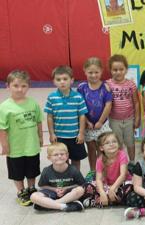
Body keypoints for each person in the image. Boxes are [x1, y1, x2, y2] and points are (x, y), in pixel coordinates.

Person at [0, 70, 43, 206]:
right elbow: (3, 128)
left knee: (32, 170)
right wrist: (4, 145)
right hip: (15, 148)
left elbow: (38, 121)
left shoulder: (33, 103)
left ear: (28, 86)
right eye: (16, 86)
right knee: (17, 172)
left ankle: (31, 188)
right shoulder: (4, 107)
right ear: (8, 86)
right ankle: (21, 191)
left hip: (31, 145)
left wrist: (40, 137)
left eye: (24, 86)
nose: (20, 89)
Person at [44, 66, 88, 171]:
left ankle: (76, 176)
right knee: (62, 159)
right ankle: (66, 177)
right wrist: (52, 133)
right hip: (59, 137)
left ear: (72, 80)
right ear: (54, 81)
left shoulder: (78, 97)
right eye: (58, 80)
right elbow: (50, 117)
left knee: (76, 159)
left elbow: (82, 115)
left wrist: (81, 133)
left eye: (65, 79)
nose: (62, 82)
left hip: (75, 136)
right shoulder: (52, 97)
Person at [77, 57, 112, 181]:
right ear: (85, 71)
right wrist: (86, 121)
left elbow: (108, 105)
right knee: (91, 148)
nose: (93, 75)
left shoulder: (105, 87)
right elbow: (79, 105)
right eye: (90, 72)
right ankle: (92, 171)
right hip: (88, 125)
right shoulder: (82, 87)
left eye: (96, 72)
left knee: (101, 149)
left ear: (101, 71)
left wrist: (100, 121)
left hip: (101, 124)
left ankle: (101, 171)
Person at [82, 131, 132, 208]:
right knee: (86, 186)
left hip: (120, 184)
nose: (111, 144)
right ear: (101, 148)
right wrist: (102, 193)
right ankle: (110, 200)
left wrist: (113, 188)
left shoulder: (122, 155)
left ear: (118, 144)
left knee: (130, 188)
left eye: (114, 141)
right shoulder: (99, 160)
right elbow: (98, 179)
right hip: (107, 186)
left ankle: (99, 201)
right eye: (107, 143)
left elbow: (123, 175)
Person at [30, 143, 85, 211]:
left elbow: (82, 184)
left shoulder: (73, 170)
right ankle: (64, 206)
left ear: (67, 155)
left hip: (68, 194)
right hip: (52, 193)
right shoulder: (46, 171)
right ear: (49, 158)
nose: (59, 156)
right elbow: (42, 186)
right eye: (55, 155)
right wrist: (55, 189)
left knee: (80, 190)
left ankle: (50, 205)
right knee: (33, 196)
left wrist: (66, 188)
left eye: (62, 154)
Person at [106, 54, 140, 161]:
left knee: (130, 142)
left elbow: (136, 102)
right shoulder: (108, 84)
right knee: (117, 143)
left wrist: (137, 118)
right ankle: (120, 163)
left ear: (126, 70)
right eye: (115, 70)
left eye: (121, 69)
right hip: (114, 120)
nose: (118, 72)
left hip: (129, 120)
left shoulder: (131, 84)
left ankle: (132, 162)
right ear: (110, 70)